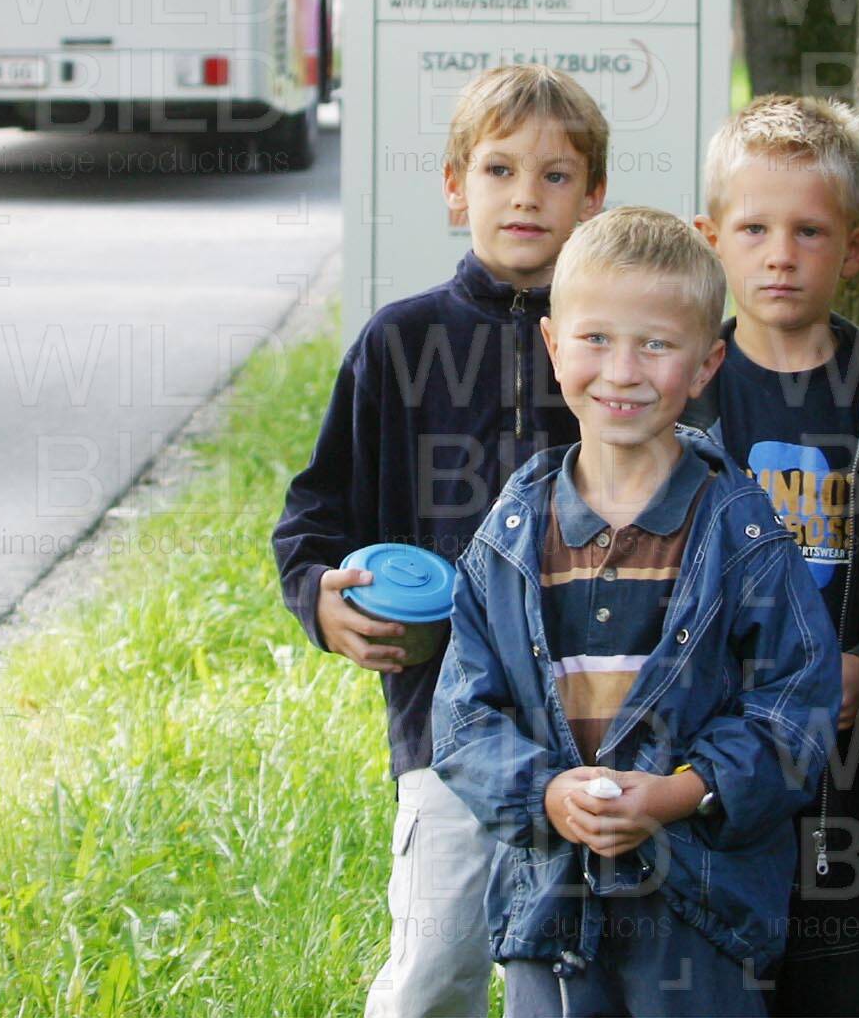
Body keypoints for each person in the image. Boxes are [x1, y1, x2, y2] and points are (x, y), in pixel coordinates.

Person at [431, 206, 841, 1017]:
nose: (622, 370)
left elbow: (798, 709)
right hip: (550, 907)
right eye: (596, 338)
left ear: (706, 363)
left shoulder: (742, 531)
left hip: (697, 907)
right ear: (553, 345)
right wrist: (547, 793)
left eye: (655, 344)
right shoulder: (509, 537)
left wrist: (678, 793)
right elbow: (463, 718)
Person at [272, 63, 609, 1018]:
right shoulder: (399, 342)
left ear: (593, 197)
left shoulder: (616, 344)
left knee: (571, 974)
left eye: (555, 175)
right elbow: (316, 513)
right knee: (436, 968)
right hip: (444, 719)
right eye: (500, 170)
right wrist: (319, 594)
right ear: (456, 186)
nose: (526, 196)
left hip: (596, 719)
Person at [684, 95, 859, 1017]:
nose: (780, 253)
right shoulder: (684, 391)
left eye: (809, 231)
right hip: (717, 752)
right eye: (754, 228)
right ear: (711, 238)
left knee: (854, 976)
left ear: (855, 247)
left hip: (854, 772)